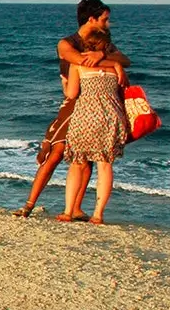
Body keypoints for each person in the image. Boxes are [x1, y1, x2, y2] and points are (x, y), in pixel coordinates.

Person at [12, 0, 129, 217]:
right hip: (74, 103)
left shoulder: (104, 44)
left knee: (85, 157)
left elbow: (126, 59)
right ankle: (29, 203)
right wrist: (113, 63)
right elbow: (79, 61)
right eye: (104, 19)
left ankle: (75, 208)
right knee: (57, 151)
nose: (108, 24)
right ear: (92, 19)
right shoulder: (67, 43)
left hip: (93, 102)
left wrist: (105, 56)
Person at [56, 29, 130, 223]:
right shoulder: (115, 67)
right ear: (106, 47)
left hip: (86, 117)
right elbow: (124, 89)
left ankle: (68, 211)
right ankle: (98, 214)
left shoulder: (77, 66)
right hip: (112, 117)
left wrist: (64, 84)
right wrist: (114, 63)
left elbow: (71, 94)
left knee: (77, 164)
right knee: (105, 166)